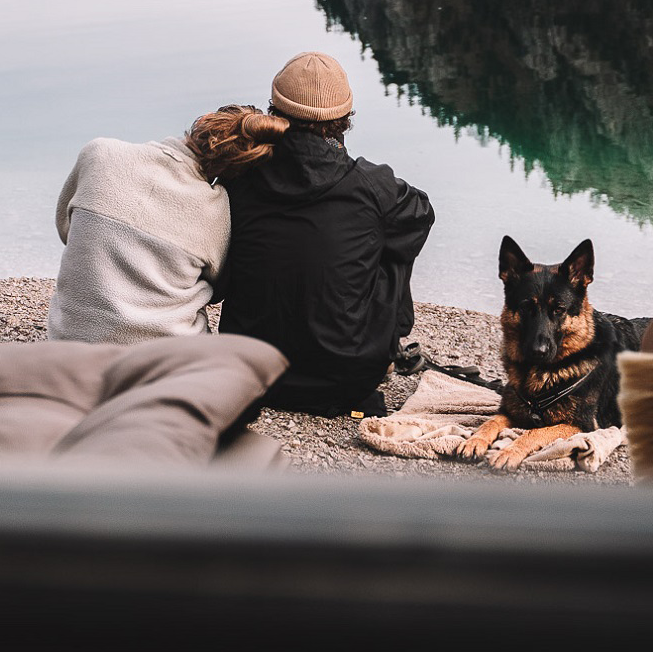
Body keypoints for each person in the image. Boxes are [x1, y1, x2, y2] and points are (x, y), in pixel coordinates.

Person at [219, 52, 435, 418]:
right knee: (392, 235)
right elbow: (422, 213)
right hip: (345, 379)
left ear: (274, 110)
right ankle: (383, 353)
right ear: (344, 119)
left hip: (248, 370)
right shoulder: (371, 185)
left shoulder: (239, 176)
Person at [47, 105, 289, 345]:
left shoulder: (99, 153)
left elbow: (66, 229)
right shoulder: (216, 208)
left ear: (204, 121)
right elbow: (220, 289)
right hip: (169, 356)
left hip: (71, 346)